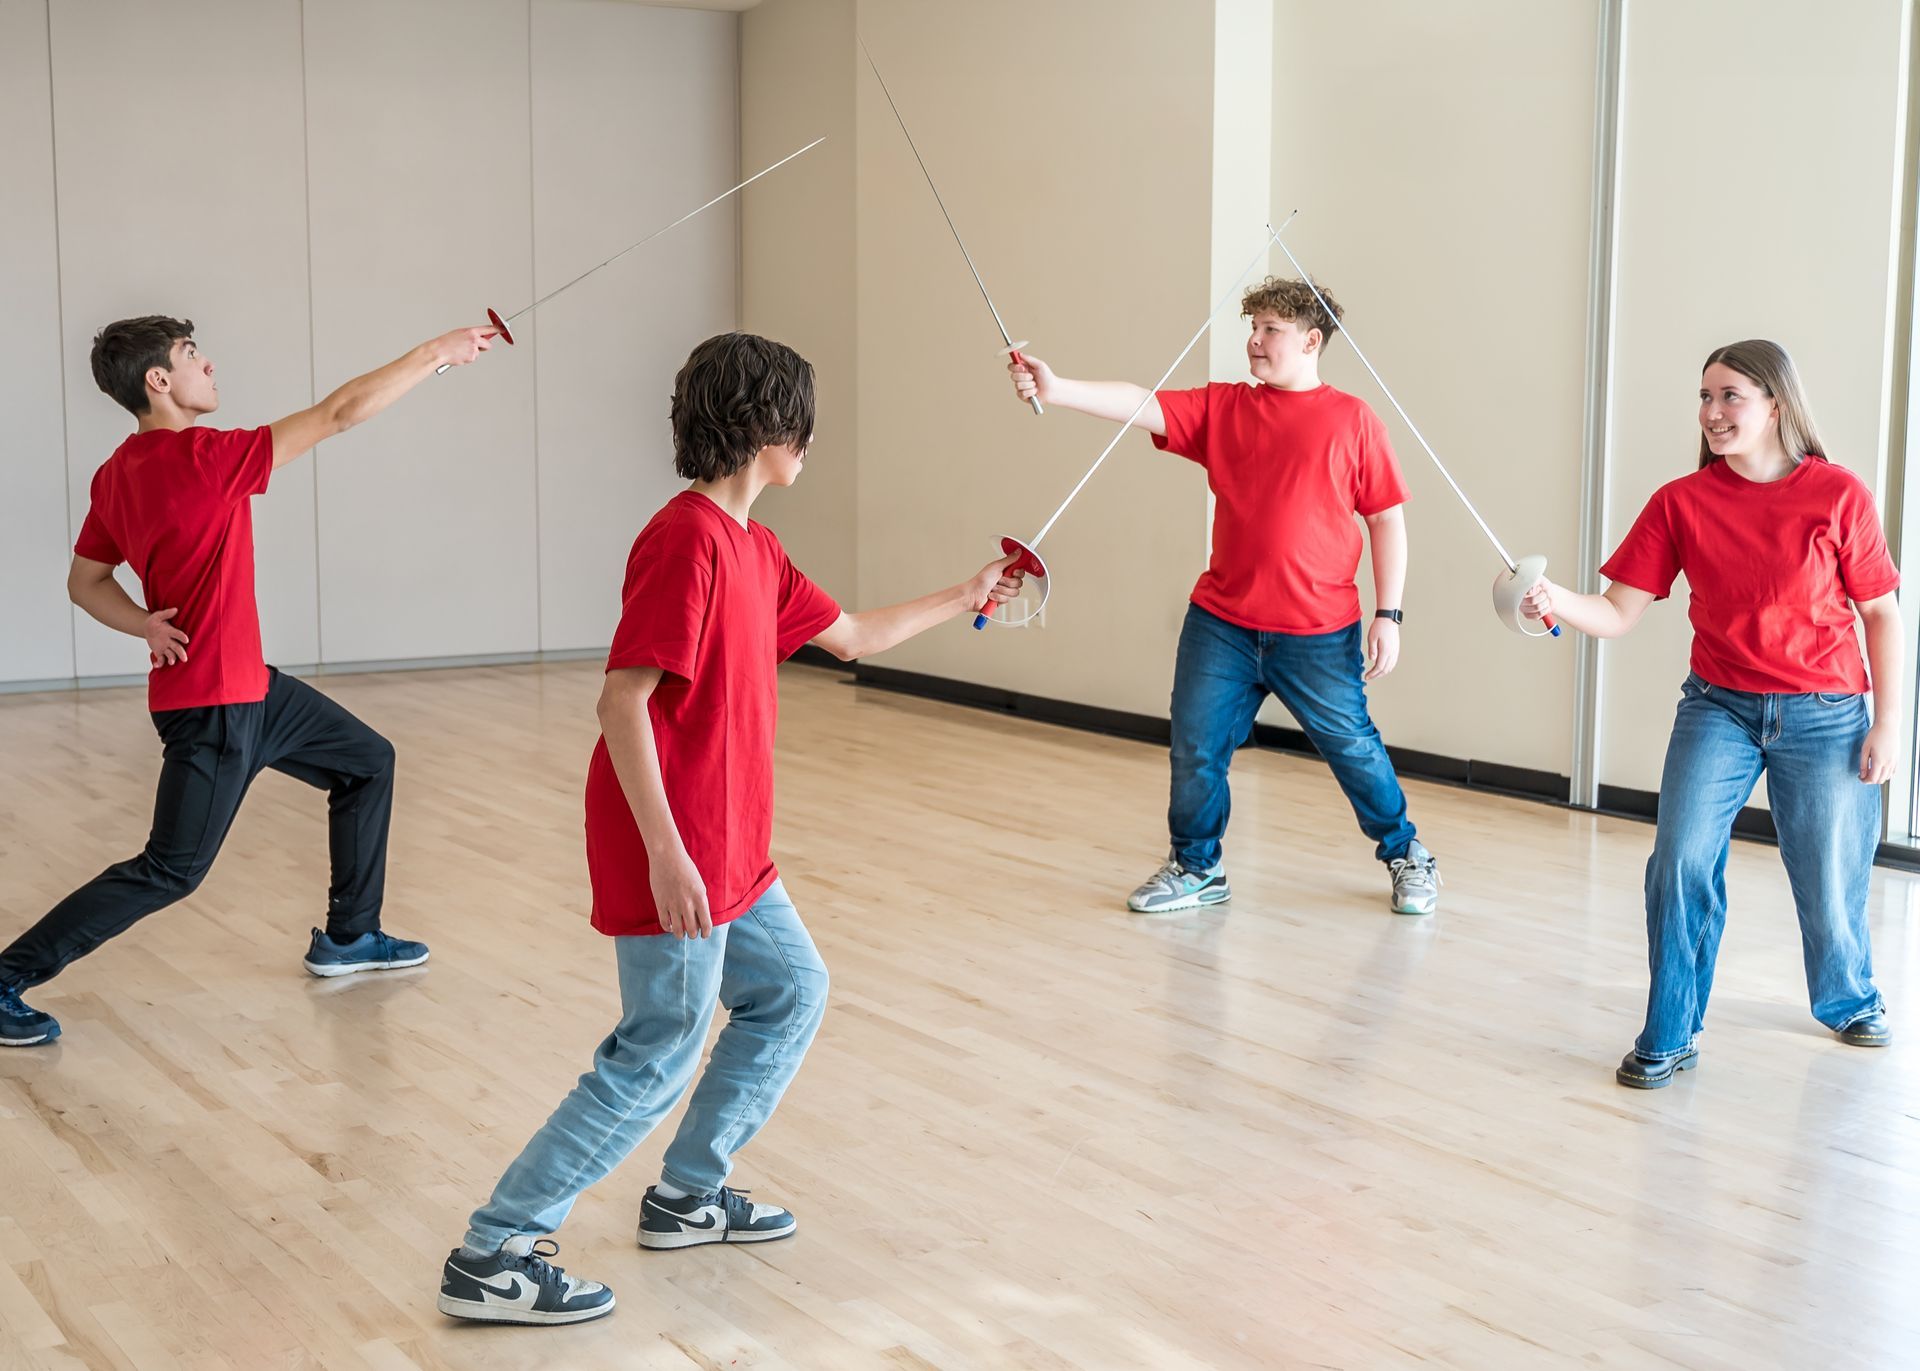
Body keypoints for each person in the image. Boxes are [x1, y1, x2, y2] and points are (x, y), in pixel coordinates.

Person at [436, 331, 1026, 1326]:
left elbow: (852, 638)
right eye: (802, 425)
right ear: (766, 430)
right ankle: (495, 1248)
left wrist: (964, 595)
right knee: (659, 1045)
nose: (811, 444)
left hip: (735, 850)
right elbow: (623, 703)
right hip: (679, 846)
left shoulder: (758, 549)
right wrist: (666, 852)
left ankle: (688, 1194)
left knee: (790, 990)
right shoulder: (689, 541)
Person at [0, 316, 496, 1049]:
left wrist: (144, 624)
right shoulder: (205, 457)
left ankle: (351, 936)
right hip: (214, 707)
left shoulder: (118, 473)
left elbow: (85, 582)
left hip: (251, 689)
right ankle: (8, 975)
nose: (209, 364)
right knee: (169, 870)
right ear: (159, 381)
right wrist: (437, 354)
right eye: (192, 356)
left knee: (367, 762)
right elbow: (338, 414)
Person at [1521, 339, 1901, 1088]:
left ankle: (1849, 997)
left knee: (1828, 872)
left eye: (1731, 396)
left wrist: (1888, 723)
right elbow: (1616, 611)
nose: (1713, 412)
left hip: (1825, 709)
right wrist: (1552, 600)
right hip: (1718, 706)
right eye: (1706, 397)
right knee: (1680, 860)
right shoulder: (1681, 501)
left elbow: (1883, 614)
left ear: (1776, 405)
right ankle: (1672, 1025)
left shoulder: (1838, 495)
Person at [1009, 277, 1440, 917]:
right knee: (1196, 746)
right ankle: (1196, 867)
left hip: (1318, 632)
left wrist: (1389, 614)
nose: (1255, 341)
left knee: (1353, 748)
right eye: (1254, 327)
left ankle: (1407, 854)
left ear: (1311, 341)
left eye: (1271, 330)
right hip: (1222, 624)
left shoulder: (1354, 421)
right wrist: (1058, 388)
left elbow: (1386, 520)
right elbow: (1141, 403)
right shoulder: (1226, 408)